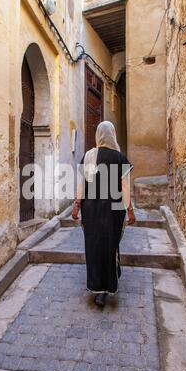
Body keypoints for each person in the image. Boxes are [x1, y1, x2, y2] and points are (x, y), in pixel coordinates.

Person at [72, 121, 135, 307]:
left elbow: (82, 184)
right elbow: (124, 187)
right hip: (113, 210)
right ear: (113, 134)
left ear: (98, 135)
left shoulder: (90, 155)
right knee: (110, 244)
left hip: (91, 209)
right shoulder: (120, 158)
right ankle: (108, 285)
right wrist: (130, 210)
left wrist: (76, 205)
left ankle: (97, 287)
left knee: (94, 245)